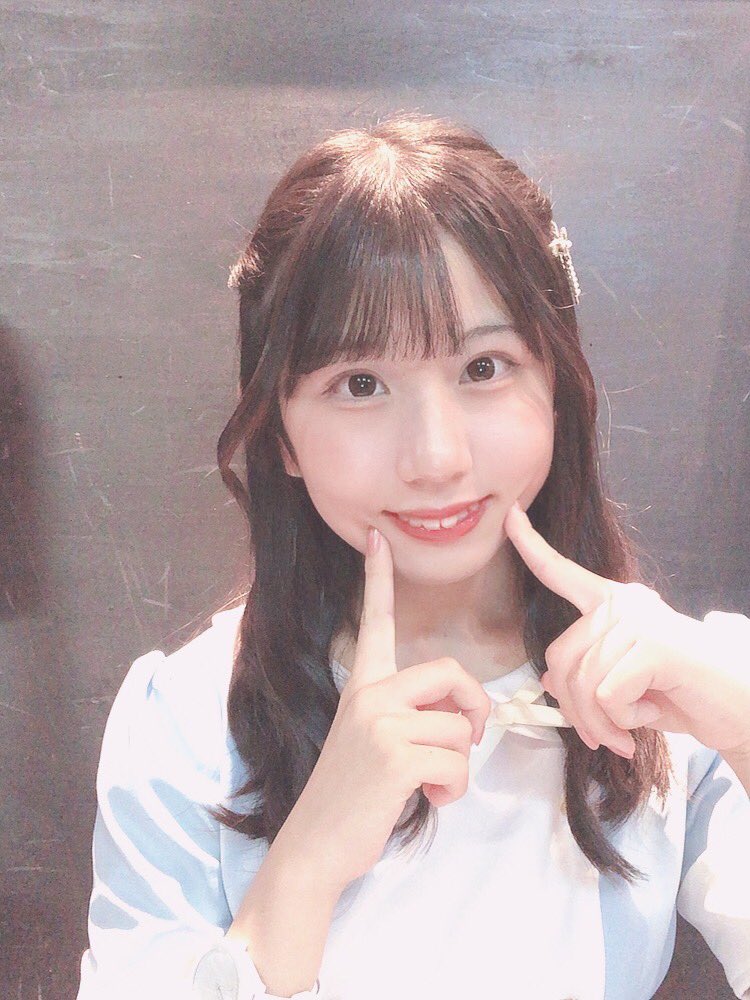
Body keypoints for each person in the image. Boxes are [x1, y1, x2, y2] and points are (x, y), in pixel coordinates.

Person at [76, 112, 750, 1000]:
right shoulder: (188, 724)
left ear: (558, 385)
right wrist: (307, 862)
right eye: (360, 384)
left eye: (484, 368)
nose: (436, 457)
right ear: (278, 433)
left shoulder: (674, 696)